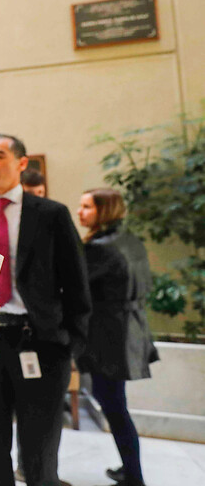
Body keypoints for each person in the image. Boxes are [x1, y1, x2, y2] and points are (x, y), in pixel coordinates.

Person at [0, 134, 90, 486]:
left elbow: (77, 282)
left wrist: (71, 343)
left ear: (21, 163)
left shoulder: (51, 214)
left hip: (41, 341)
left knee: (40, 448)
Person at [76, 188, 158, 486]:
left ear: (105, 210)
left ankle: (134, 478)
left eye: (87, 207)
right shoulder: (130, 240)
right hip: (130, 328)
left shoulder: (100, 247)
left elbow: (76, 288)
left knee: (113, 405)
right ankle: (131, 471)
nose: (80, 212)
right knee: (115, 403)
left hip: (109, 335)